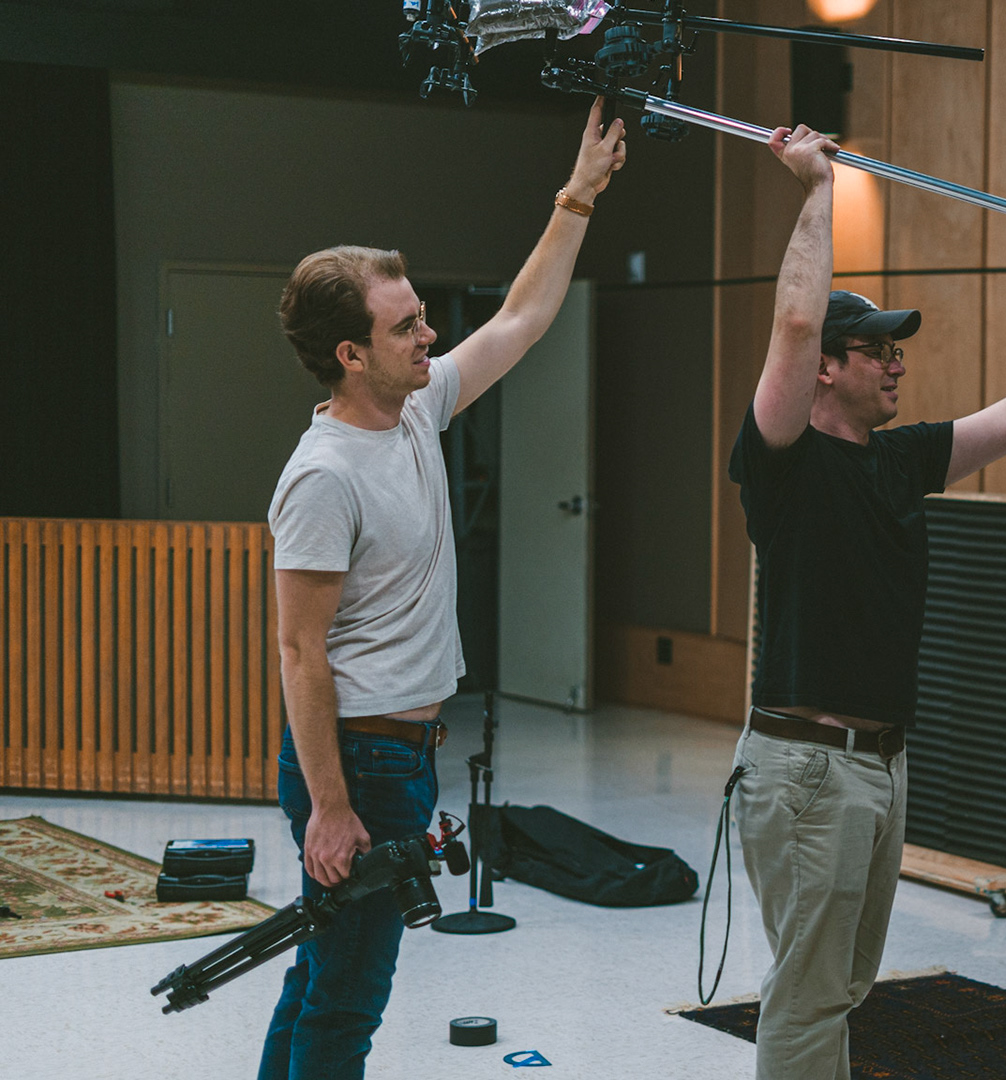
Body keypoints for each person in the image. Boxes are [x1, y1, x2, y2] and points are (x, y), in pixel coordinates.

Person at [726, 123, 1006, 1080]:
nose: (896, 363)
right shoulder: (783, 459)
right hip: (807, 769)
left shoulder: (900, 458)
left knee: (842, 987)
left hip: (879, 764)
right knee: (808, 995)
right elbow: (793, 324)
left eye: (897, 350)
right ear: (827, 368)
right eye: (875, 350)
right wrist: (816, 190)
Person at [259, 99, 625, 1080]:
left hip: (402, 755)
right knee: (348, 999)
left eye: (421, 315)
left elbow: (523, 318)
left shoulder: (418, 410)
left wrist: (578, 194)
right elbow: (299, 650)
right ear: (350, 355)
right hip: (358, 762)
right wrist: (332, 807)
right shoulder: (323, 476)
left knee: (320, 976)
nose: (430, 332)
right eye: (407, 324)